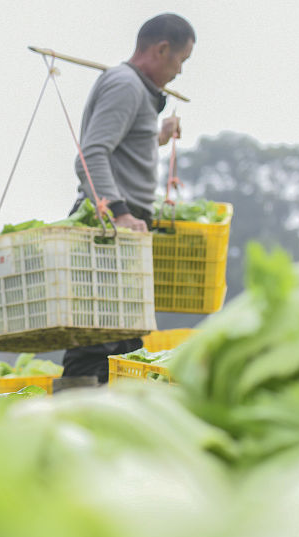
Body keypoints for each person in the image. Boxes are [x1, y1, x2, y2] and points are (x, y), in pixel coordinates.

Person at [62, 13, 195, 383]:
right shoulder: (126, 85)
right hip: (110, 225)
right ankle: (77, 421)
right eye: (180, 60)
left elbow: (119, 149)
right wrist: (119, 213)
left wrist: (156, 137)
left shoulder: (133, 88)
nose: (179, 72)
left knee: (122, 340)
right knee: (98, 339)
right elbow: (90, 156)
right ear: (162, 49)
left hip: (123, 224)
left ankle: (107, 423)